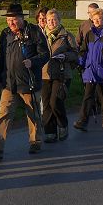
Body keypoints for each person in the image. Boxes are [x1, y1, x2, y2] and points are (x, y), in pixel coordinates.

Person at [0, 3, 48, 160]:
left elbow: (45, 54)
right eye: (8, 19)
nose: (11, 23)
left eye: (14, 19)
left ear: (21, 18)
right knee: (4, 113)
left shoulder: (34, 32)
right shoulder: (5, 34)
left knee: (32, 113)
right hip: (10, 83)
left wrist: (33, 61)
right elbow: (1, 59)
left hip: (29, 82)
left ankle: (35, 141)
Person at [74, 8, 103, 130]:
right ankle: (83, 121)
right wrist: (80, 63)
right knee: (88, 96)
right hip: (91, 70)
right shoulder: (89, 34)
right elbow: (84, 51)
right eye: (94, 19)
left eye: (99, 19)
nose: (97, 21)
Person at [41, 9, 79, 143]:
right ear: (46, 20)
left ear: (59, 20)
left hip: (62, 73)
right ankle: (50, 132)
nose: (51, 22)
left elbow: (76, 54)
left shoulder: (67, 36)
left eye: (54, 19)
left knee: (55, 101)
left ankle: (62, 125)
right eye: (49, 19)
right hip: (45, 73)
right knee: (46, 103)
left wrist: (65, 56)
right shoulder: (41, 36)